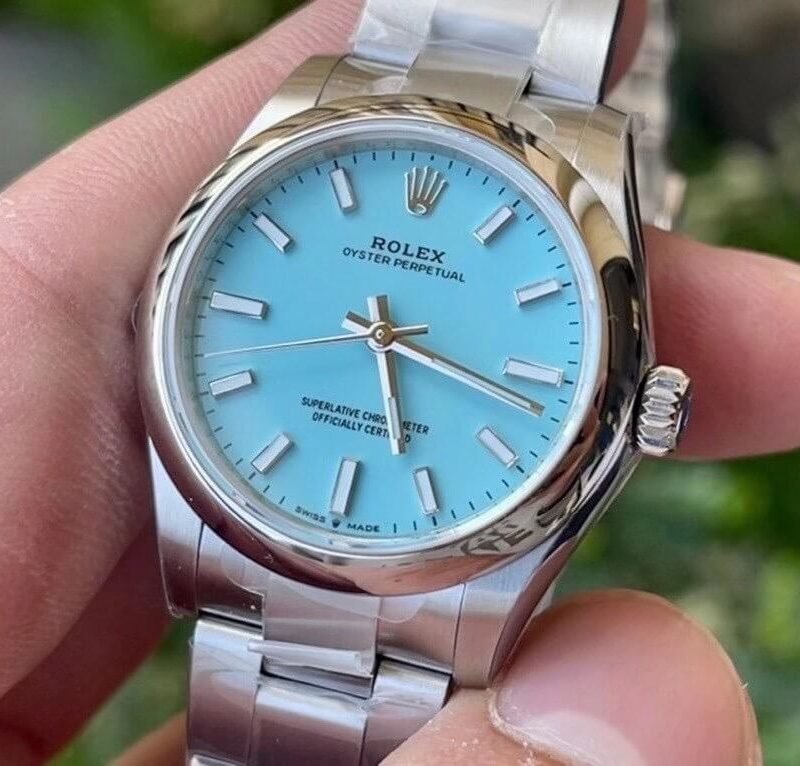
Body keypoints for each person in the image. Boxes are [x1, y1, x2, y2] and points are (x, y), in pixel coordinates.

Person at [3, 0, 794, 762]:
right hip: (253, 508)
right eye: (375, 334)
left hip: (413, 566)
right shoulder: (306, 125)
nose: (381, 337)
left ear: (643, 409)